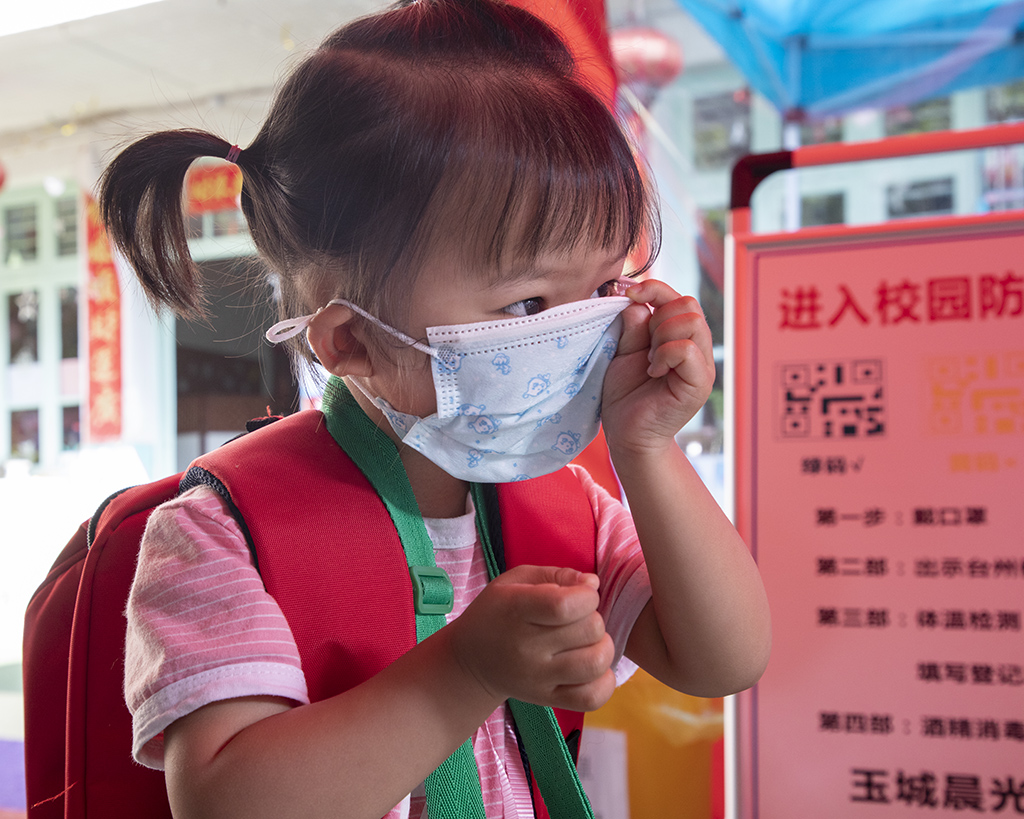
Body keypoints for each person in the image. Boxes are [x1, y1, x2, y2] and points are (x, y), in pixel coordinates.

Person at [100, 0, 771, 817]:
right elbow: (227, 802)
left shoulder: (565, 508)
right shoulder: (222, 530)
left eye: (605, 286)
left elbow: (725, 659)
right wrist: (464, 671)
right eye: (528, 304)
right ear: (350, 340)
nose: (587, 329)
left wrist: (649, 446)